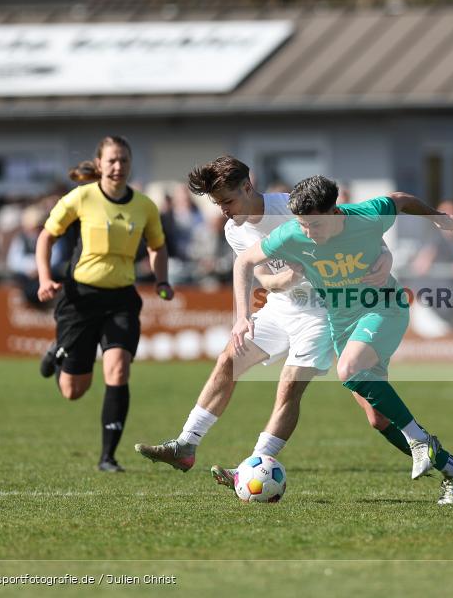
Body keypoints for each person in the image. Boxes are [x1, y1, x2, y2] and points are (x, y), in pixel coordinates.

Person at [133, 157, 419, 493]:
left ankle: (255, 465)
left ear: (247, 187)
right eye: (217, 203)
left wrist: (384, 256)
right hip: (282, 307)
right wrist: (252, 309)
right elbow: (265, 281)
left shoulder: (290, 206)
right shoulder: (233, 231)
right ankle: (186, 445)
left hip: (324, 312)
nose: (223, 210)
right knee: (229, 359)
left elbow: (354, 226)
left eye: (227, 201)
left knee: (325, 398)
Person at [232, 175, 453, 504]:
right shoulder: (293, 232)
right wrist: (243, 315)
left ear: (334, 212)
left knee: (348, 369)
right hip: (342, 324)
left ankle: (421, 442)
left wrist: (435, 216)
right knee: (378, 418)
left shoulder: (367, 215)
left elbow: (400, 198)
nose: (306, 232)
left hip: (384, 308)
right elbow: (244, 261)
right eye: (301, 224)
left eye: (313, 225)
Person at [35, 136, 173, 472]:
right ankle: (59, 350)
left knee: (118, 370)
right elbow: (46, 236)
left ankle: (108, 457)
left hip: (122, 300)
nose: (118, 166)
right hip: (80, 299)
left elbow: (157, 245)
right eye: (111, 160)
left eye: (123, 160)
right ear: (99, 165)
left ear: (130, 164)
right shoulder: (81, 197)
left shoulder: (144, 206)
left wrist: (162, 279)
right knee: (72, 390)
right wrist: (43, 279)